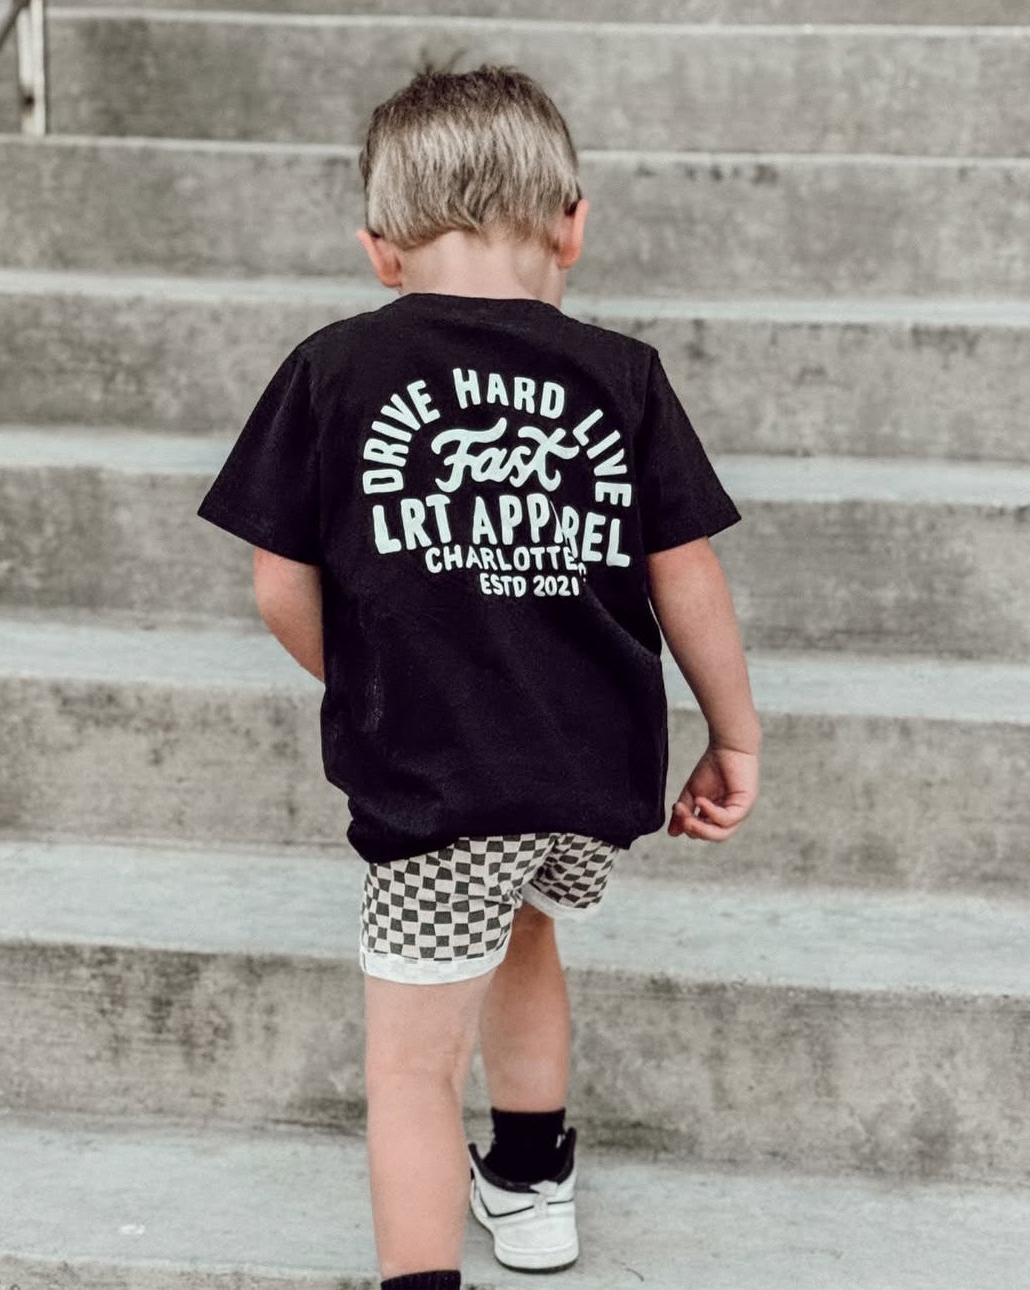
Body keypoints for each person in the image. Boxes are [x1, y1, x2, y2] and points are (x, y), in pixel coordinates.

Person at [195, 63, 761, 1290]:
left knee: (408, 1064)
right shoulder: (623, 375)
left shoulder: (336, 369)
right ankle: (531, 1176)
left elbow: (279, 581)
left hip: (440, 779)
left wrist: (382, 679)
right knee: (526, 939)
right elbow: (689, 574)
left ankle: (421, 1278)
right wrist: (737, 735)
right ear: (572, 224)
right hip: (586, 767)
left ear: (379, 250)